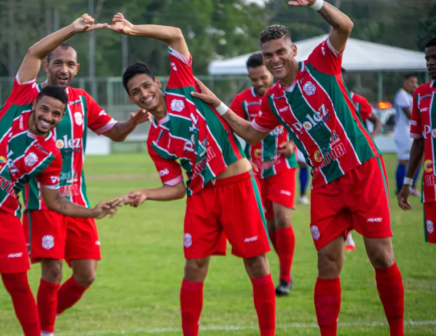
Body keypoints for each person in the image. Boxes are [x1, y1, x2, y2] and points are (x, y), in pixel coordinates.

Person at [191, 1, 405, 335]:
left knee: (380, 255)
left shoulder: (321, 62)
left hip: (362, 168)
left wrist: (317, 3)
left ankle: (397, 331)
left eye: (279, 52)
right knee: (327, 262)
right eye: (267, 55)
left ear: (292, 50)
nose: (274, 59)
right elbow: (250, 132)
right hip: (325, 183)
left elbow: (345, 26)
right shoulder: (273, 99)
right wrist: (216, 103)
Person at [0, 14, 118, 336]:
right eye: (44, 109)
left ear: (62, 118)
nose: (48, 116)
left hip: (4, 213)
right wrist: (71, 30)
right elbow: (34, 53)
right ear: (35, 105)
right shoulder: (19, 101)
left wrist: (93, 211)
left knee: (19, 286)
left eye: (56, 114)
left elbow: (56, 201)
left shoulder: (51, 156)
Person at [108, 13, 276, 336]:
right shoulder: (155, 141)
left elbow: (174, 33)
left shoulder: (183, 86)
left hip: (237, 183)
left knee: (255, 262)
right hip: (201, 196)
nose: (144, 93)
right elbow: (174, 187)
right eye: (135, 92)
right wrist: (146, 193)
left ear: (157, 82)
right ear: (131, 99)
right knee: (194, 267)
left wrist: (132, 30)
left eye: (146, 85)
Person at [22, 40, 151, 336]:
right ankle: (44, 330)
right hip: (42, 201)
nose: (64, 69)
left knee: (85, 275)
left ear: (77, 68)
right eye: (58, 63)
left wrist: (132, 122)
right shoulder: (30, 97)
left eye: (70, 64)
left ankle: (39, 316)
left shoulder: (82, 101)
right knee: (52, 270)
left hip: (77, 202)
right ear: (47, 65)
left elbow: (115, 133)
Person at [229, 53, 297, 296]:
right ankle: (285, 266)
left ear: (270, 71)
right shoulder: (242, 101)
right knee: (268, 226)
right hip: (256, 170)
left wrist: (294, 145)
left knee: (283, 220)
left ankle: (285, 278)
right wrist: (242, 158)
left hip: (283, 166)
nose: (259, 83)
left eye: (262, 77)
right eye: (253, 79)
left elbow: (303, 122)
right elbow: (229, 128)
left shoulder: (287, 94)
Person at [398, 37, 436, 244]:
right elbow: (419, 142)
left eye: (435, 58)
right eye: (427, 58)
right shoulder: (421, 94)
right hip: (432, 184)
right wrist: (407, 182)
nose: (430, 62)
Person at [341, 67, 383, 252]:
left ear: (344, 79)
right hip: (338, 160)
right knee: (342, 199)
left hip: (361, 160)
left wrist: (370, 138)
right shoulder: (324, 102)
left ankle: (367, 234)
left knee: (361, 200)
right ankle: (348, 237)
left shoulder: (358, 101)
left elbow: (377, 121)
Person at [394, 73, 420, 196]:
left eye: (415, 82)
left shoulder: (409, 96)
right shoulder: (402, 95)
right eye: (411, 82)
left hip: (408, 133)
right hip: (403, 133)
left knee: (417, 159)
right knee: (404, 161)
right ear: (404, 82)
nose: (414, 85)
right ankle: (400, 188)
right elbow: (411, 116)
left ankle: (411, 186)